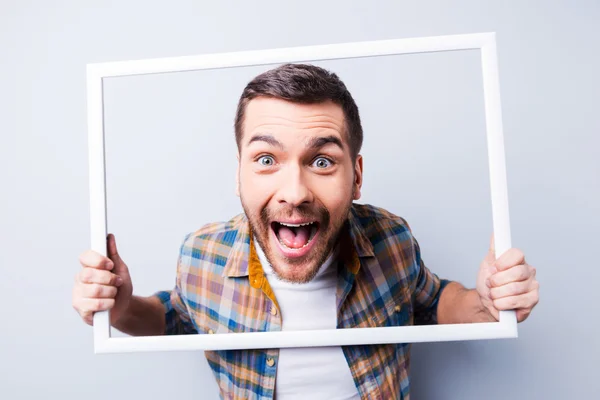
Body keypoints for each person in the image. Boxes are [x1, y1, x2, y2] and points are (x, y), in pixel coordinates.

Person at [72, 64, 539, 400]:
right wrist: (121, 307)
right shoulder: (202, 255)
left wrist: (489, 302)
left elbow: (434, 300)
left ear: (355, 175)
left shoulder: (390, 238)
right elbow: (172, 319)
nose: (294, 193)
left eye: (321, 161)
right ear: (239, 173)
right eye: (266, 160)